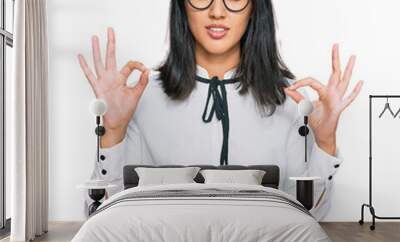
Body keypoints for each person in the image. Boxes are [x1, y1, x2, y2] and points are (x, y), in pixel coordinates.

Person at [77, 0, 363, 221]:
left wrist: (325, 143)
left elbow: (311, 215)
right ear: (182, 6)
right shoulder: (141, 97)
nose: (217, 11)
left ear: (254, 8)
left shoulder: (291, 99)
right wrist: (112, 133)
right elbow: (99, 211)